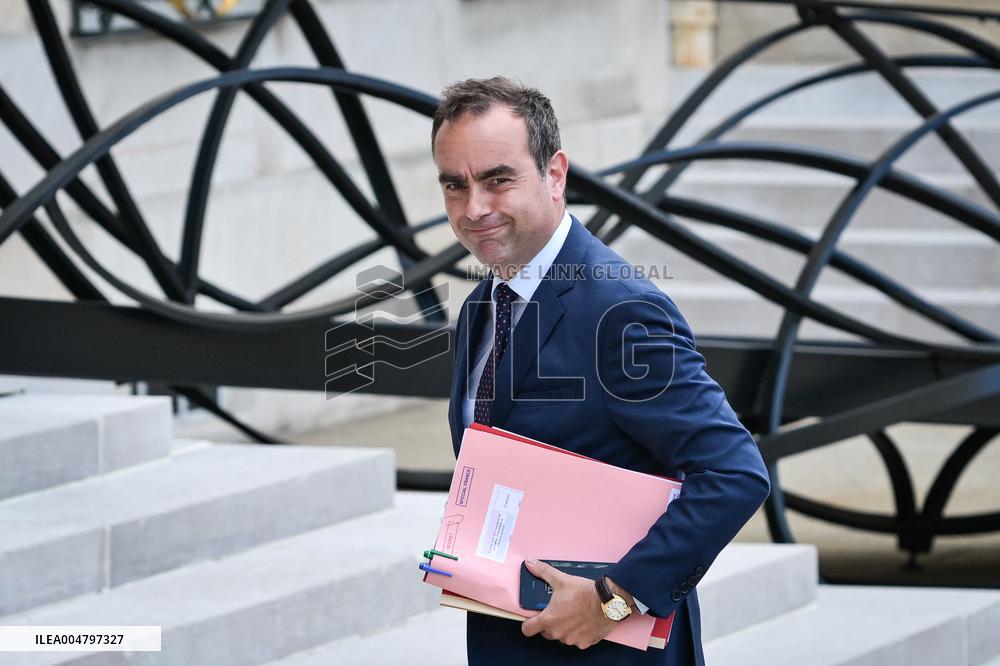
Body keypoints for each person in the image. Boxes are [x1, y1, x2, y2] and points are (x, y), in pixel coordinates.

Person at [433, 76, 770, 666]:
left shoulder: (621, 310)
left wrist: (612, 601)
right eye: (454, 185)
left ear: (555, 174)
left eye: (497, 179)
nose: (474, 208)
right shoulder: (482, 306)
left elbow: (734, 475)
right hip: (506, 638)